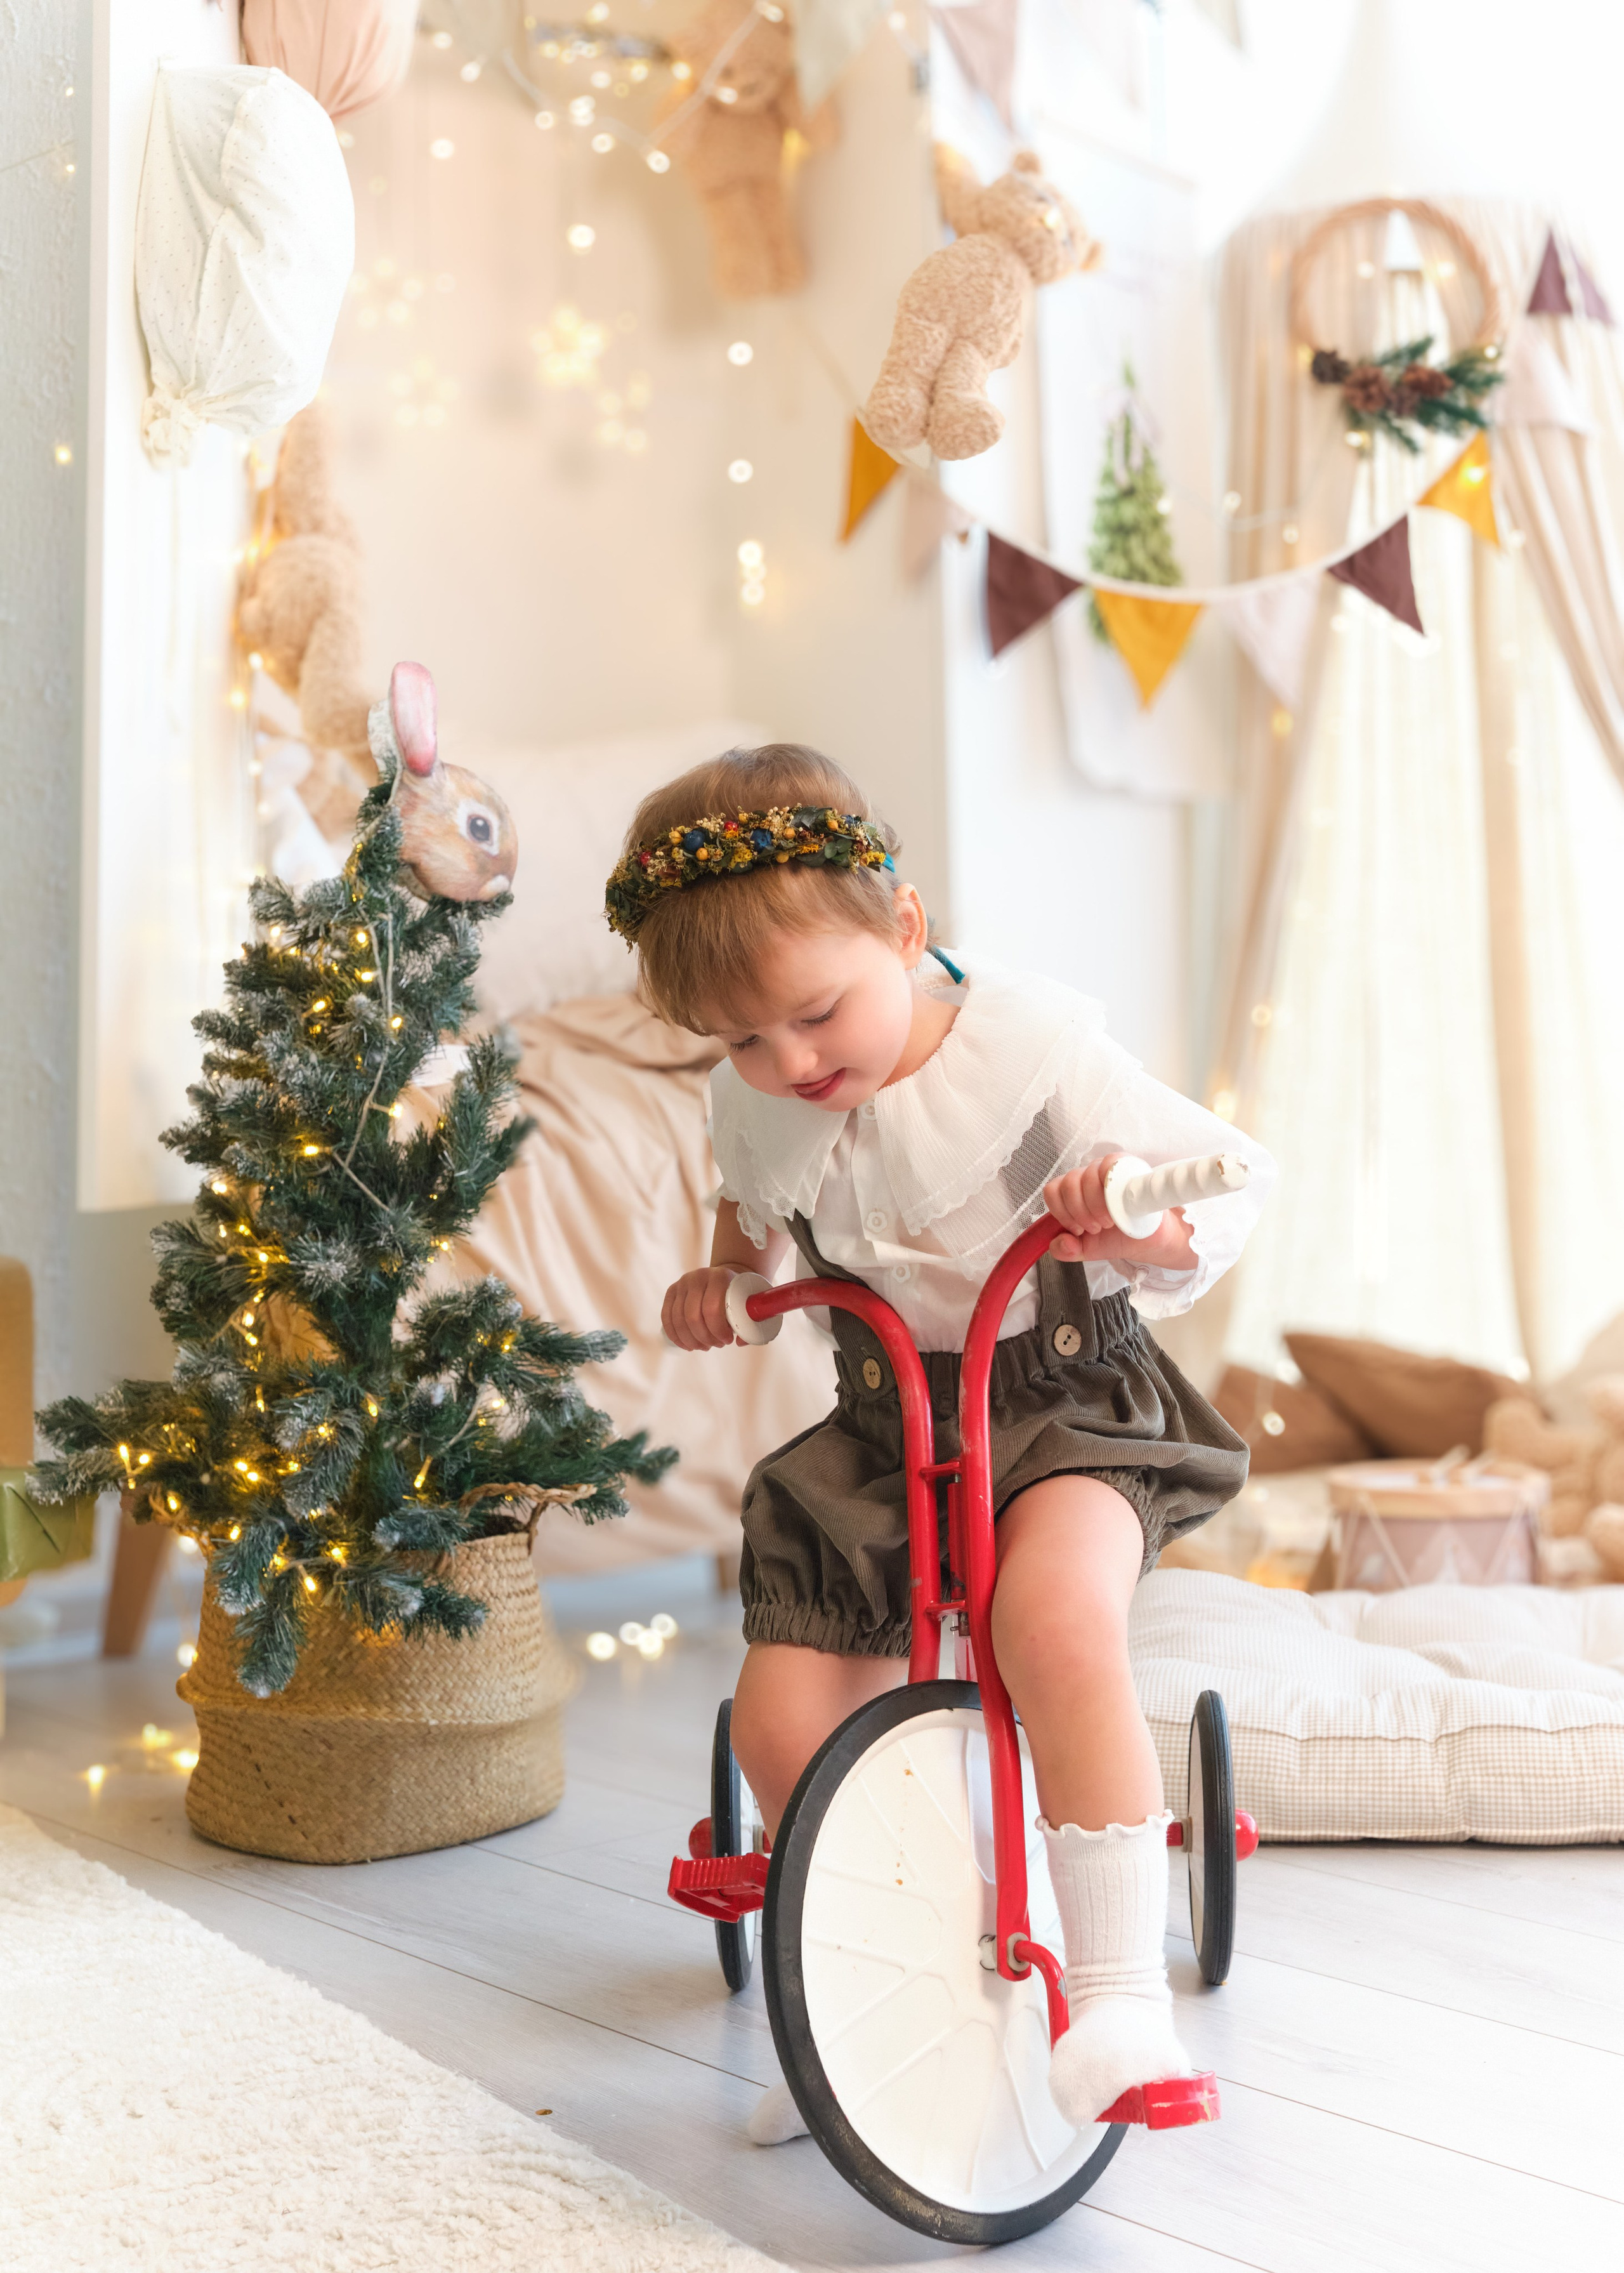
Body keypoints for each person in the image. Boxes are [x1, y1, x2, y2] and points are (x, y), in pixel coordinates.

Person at [604, 744, 1273, 2143]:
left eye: (814, 1014)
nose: (790, 1065)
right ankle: (877, 1980)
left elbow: (1212, 1191)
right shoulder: (765, 1098)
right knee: (785, 1719)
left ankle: (1109, 2000)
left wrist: (1126, 1215)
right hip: (883, 1425)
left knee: (1051, 1626)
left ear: (902, 928)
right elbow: (753, 1208)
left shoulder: (1033, 1058)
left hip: (1067, 1406)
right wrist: (716, 1277)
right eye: (742, 1043)